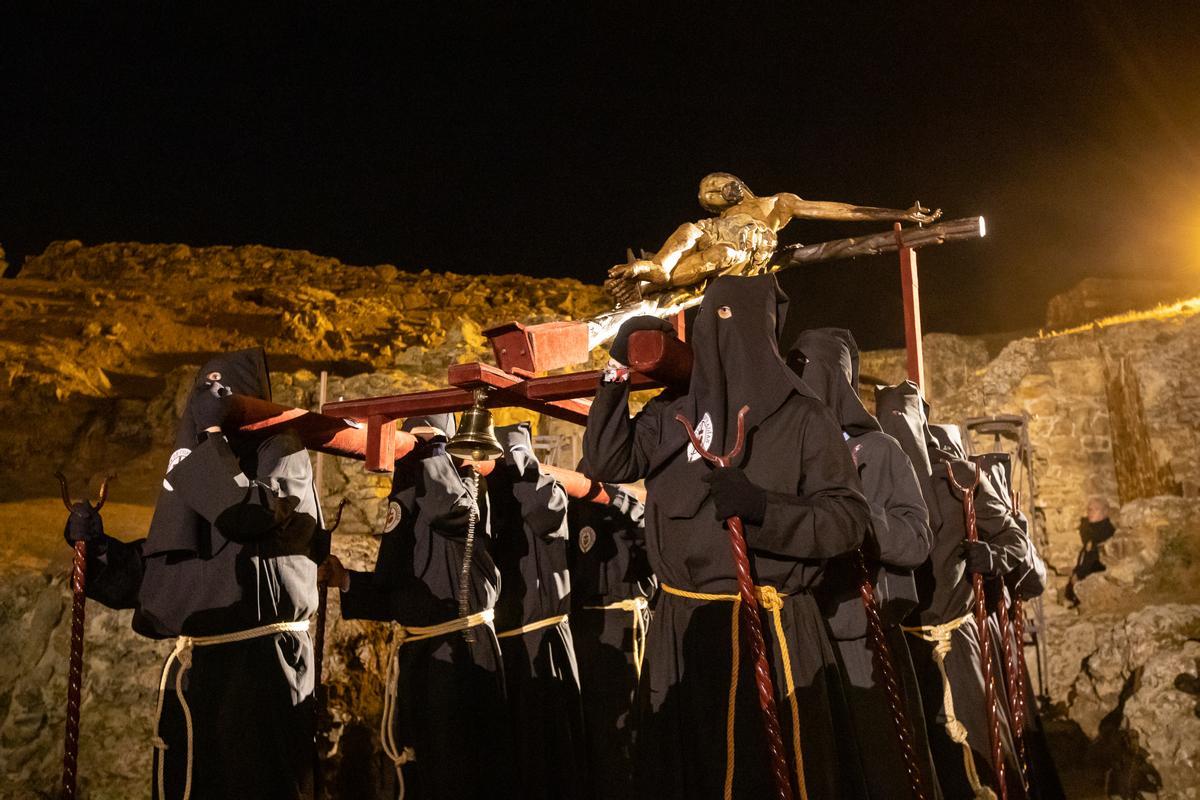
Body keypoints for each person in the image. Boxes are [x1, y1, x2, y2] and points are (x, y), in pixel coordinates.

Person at [584, 274, 872, 800]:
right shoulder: (675, 412)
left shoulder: (804, 415)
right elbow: (608, 460)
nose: (725, 342)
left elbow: (847, 520)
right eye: (711, 327)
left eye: (734, 327)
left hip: (771, 625)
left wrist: (765, 509)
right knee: (690, 770)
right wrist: (616, 371)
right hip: (684, 628)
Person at [63, 347, 326, 800]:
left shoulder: (282, 452)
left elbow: (249, 517)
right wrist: (97, 551)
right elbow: (170, 567)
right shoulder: (208, 468)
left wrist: (210, 434)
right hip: (205, 673)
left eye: (221, 397)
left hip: (262, 669)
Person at [319, 414, 511, 800]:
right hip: (420, 655)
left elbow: (447, 509)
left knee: (458, 768)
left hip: (460, 654)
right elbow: (402, 590)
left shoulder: (468, 487)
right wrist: (347, 580)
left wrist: (433, 448)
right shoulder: (409, 495)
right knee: (419, 763)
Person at [789, 328, 942, 800]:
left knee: (884, 769)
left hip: (865, 637)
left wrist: (861, 519)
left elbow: (917, 540)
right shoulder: (789, 453)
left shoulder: (878, 451)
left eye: (813, 372)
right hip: (803, 636)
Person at [877, 382, 1028, 799]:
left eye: (903, 420)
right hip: (901, 648)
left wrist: (992, 557)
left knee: (979, 749)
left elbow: (1014, 538)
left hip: (957, 643)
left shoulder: (958, 476)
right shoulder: (873, 474)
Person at [604, 173, 941, 304]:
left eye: (714, 184)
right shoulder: (717, 218)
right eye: (708, 195)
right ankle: (655, 270)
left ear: (732, 180)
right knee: (690, 230)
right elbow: (696, 232)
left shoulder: (778, 204)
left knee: (720, 256)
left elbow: (842, 211)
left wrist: (900, 214)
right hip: (711, 236)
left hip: (737, 251)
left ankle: (648, 284)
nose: (713, 192)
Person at [488, 422, 586, 799]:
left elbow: (547, 513)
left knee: (555, 755)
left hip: (547, 643)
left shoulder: (544, 491)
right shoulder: (487, 495)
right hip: (507, 648)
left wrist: (521, 459)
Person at [566, 477, 656, 800]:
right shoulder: (575, 501)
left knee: (630, 723)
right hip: (586, 629)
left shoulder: (641, 498)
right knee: (595, 729)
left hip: (628, 626)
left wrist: (630, 506)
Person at [1064, 497, 1115, 605]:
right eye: (1089, 510)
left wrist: (1079, 575)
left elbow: (1095, 559)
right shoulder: (1091, 531)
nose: (1090, 513)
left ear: (1105, 512)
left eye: (1095, 509)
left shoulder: (1106, 532)